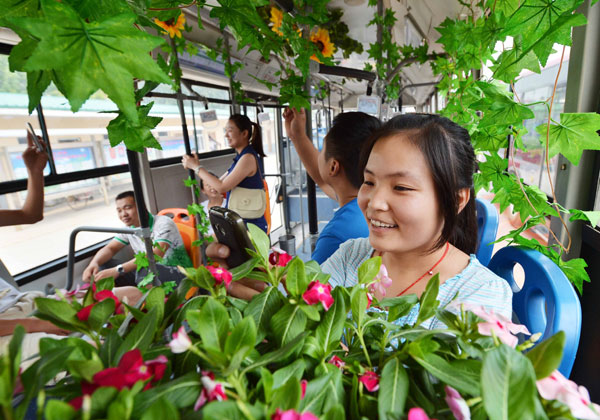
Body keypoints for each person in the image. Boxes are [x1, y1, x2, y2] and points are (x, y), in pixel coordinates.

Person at [207, 114, 513, 327]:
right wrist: (258, 287)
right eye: (369, 182)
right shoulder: (352, 256)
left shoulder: (483, 297)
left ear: (457, 200)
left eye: (401, 187)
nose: (374, 203)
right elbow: (301, 311)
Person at [283, 108, 380, 263]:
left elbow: (312, 287)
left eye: (322, 149)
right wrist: (297, 136)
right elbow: (322, 181)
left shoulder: (335, 237)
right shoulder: (375, 206)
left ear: (333, 167)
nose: (319, 155)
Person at [82, 191, 193, 285]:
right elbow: (111, 248)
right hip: (148, 273)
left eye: (127, 208)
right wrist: (94, 263)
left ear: (141, 207)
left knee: (143, 270)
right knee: (104, 264)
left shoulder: (163, 223)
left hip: (177, 275)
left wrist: (118, 270)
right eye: (119, 210)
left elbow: (155, 255)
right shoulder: (129, 228)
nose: (123, 214)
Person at [181, 114, 268, 233]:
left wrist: (196, 167)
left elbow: (222, 187)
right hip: (242, 223)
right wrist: (195, 165)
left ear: (244, 134)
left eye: (230, 131)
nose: (226, 135)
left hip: (252, 226)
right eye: (225, 131)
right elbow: (217, 186)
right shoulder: (239, 158)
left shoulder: (247, 158)